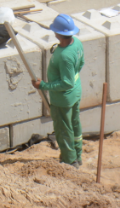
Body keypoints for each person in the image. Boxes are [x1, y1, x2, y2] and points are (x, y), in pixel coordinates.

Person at [32, 14, 85, 166]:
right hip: (75, 92)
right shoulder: (77, 44)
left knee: (63, 129)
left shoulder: (64, 56)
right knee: (74, 124)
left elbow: (66, 83)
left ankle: (70, 161)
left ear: (58, 33)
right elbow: (81, 64)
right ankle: (78, 155)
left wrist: (44, 86)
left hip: (63, 99)